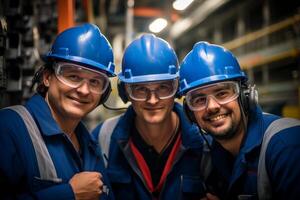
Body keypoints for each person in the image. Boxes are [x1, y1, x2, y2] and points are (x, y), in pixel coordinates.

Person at [0, 23, 116, 200]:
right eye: (73, 76)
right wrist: (69, 194)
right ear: (47, 77)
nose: (84, 90)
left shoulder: (90, 145)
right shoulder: (8, 128)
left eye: (95, 82)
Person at [178, 41, 300, 200]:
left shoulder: (287, 146)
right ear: (190, 113)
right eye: (199, 99)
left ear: (245, 97)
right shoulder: (210, 155)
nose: (212, 107)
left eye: (222, 93)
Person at [92, 34, 206, 200]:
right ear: (125, 93)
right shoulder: (104, 138)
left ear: (177, 89)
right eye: (140, 89)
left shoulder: (204, 141)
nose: (152, 100)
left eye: (163, 87)